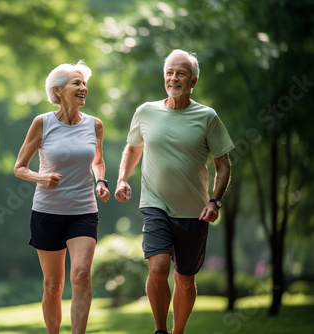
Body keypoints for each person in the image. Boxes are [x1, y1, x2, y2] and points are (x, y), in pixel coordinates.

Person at [115, 49, 234, 334]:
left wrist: (215, 201)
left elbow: (224, 165)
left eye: (181, 73)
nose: (173, 78)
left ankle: (178, 331)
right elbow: (133, 147)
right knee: (157, 269)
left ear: (193, 81)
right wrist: (122, 179)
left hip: (194, 211)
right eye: (169, 72)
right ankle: (160, 330)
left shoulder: (207, 117)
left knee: (185, 279)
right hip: (155, 205)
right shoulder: (146, 111)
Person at [14, 60, 109, 334]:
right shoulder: (42, 123)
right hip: (47, 212)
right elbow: (19, 168)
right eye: (76, 83)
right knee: (53, 285)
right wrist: (41, 177)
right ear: (58, 91)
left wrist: (100, 181)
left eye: (84, 83)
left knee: (81, 275)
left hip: (83, 212)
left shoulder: (95, 125)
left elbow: (98, 161)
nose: (84, 88)